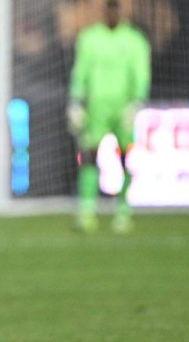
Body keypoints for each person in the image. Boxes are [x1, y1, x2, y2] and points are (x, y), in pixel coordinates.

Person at [67, 0, 151, 233]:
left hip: (123, 107)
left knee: (127, 157)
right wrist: (76, 100)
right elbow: (81, 70)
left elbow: (141, 72)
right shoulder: (89, 38)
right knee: (89, 154)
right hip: (96, 107)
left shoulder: (134, 40)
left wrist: (137, 101)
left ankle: (123, 209)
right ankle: (87, 211)